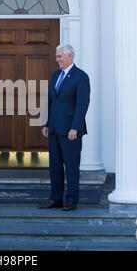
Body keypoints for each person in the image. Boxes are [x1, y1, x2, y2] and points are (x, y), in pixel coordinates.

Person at [39, 44, 90, 211]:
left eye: (60, 56)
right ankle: (56, 198)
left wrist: (75, 127)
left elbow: (82, 104)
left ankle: (71, 199)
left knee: (71, 166)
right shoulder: (55, 76)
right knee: (54, 166)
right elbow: (51, 102)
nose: (57, 59)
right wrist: (46, 123)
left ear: (70, 56)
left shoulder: (80, 76)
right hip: (54, 129)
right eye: (56, 56)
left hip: (70, 131)